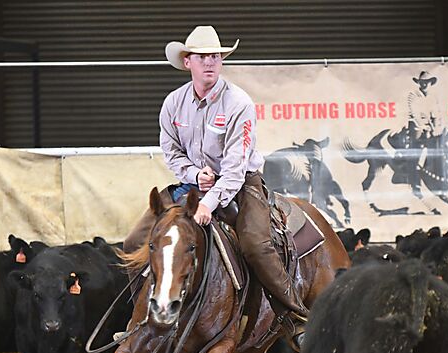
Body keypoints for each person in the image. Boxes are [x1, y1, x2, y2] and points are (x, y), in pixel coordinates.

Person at [123, 25, 309, 321]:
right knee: (134, 241)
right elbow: (171, 152)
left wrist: (209, 203)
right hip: (193, 183)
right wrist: (195, 175)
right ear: (188, 62)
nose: (209, 62)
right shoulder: (173, 103)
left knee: (255, 244)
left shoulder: (238, 103)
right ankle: (145, 316)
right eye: (202, 57)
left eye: (215, 56)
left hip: (241, 183)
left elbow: (236, 167)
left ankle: (295, 317)